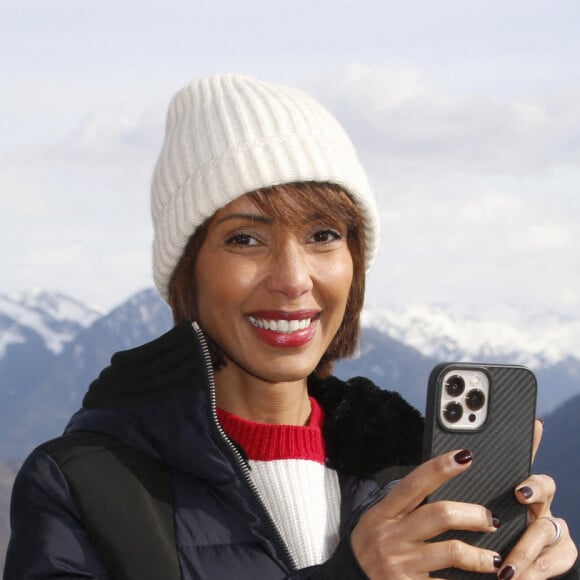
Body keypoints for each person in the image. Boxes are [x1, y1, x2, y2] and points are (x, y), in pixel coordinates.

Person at [4, 74, 578, 579]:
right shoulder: (84, 488)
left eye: (323, 235)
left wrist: (536, 566)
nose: (293, 278)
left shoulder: (415, 470)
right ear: (188, 272)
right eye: (245, 239)